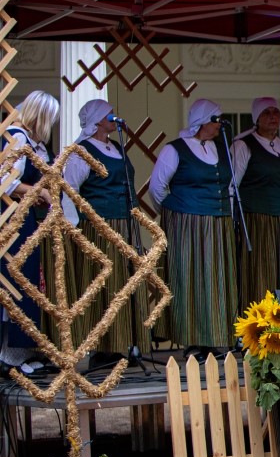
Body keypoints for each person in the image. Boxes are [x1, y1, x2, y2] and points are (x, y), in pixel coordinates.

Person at [60, 99, 147, 369]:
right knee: (106, 284)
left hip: (124, 224)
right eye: (109, 114)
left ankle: (124, 344)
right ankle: (103, 348)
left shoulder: (115, 146)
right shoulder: (81, 152)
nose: (114, 118)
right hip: (99, 226)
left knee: (125, 283)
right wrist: (74, 226)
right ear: (97, 120)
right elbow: (69, 189)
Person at [150, 98, 238, 357]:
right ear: (202, 122)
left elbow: (230, 187)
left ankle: (218, 336)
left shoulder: (221, 149)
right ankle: (193, 340)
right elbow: (157, 188)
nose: (219, 124)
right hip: (186, 223)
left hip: (218, 221)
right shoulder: (175, 149)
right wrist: (175, 213)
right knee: (190, 277)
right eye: (215, 119)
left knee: (218, 278)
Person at [1, 91, 60, 367]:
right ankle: (10, 355)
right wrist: (39, 192)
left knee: (30, 282)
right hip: (11, 220)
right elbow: (6, 181)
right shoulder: (17, 138)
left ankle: (28, 350)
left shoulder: (34, 143)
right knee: (16, 281)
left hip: (27, 220)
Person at [231, 97, 280, 310]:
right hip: (259, 219)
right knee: (262, 271)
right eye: (267, 113)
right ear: (257, 118)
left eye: (276, 112)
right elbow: (232, 186)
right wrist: (233, 222)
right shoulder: (243, 146)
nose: (273, 117)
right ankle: (260, 324)